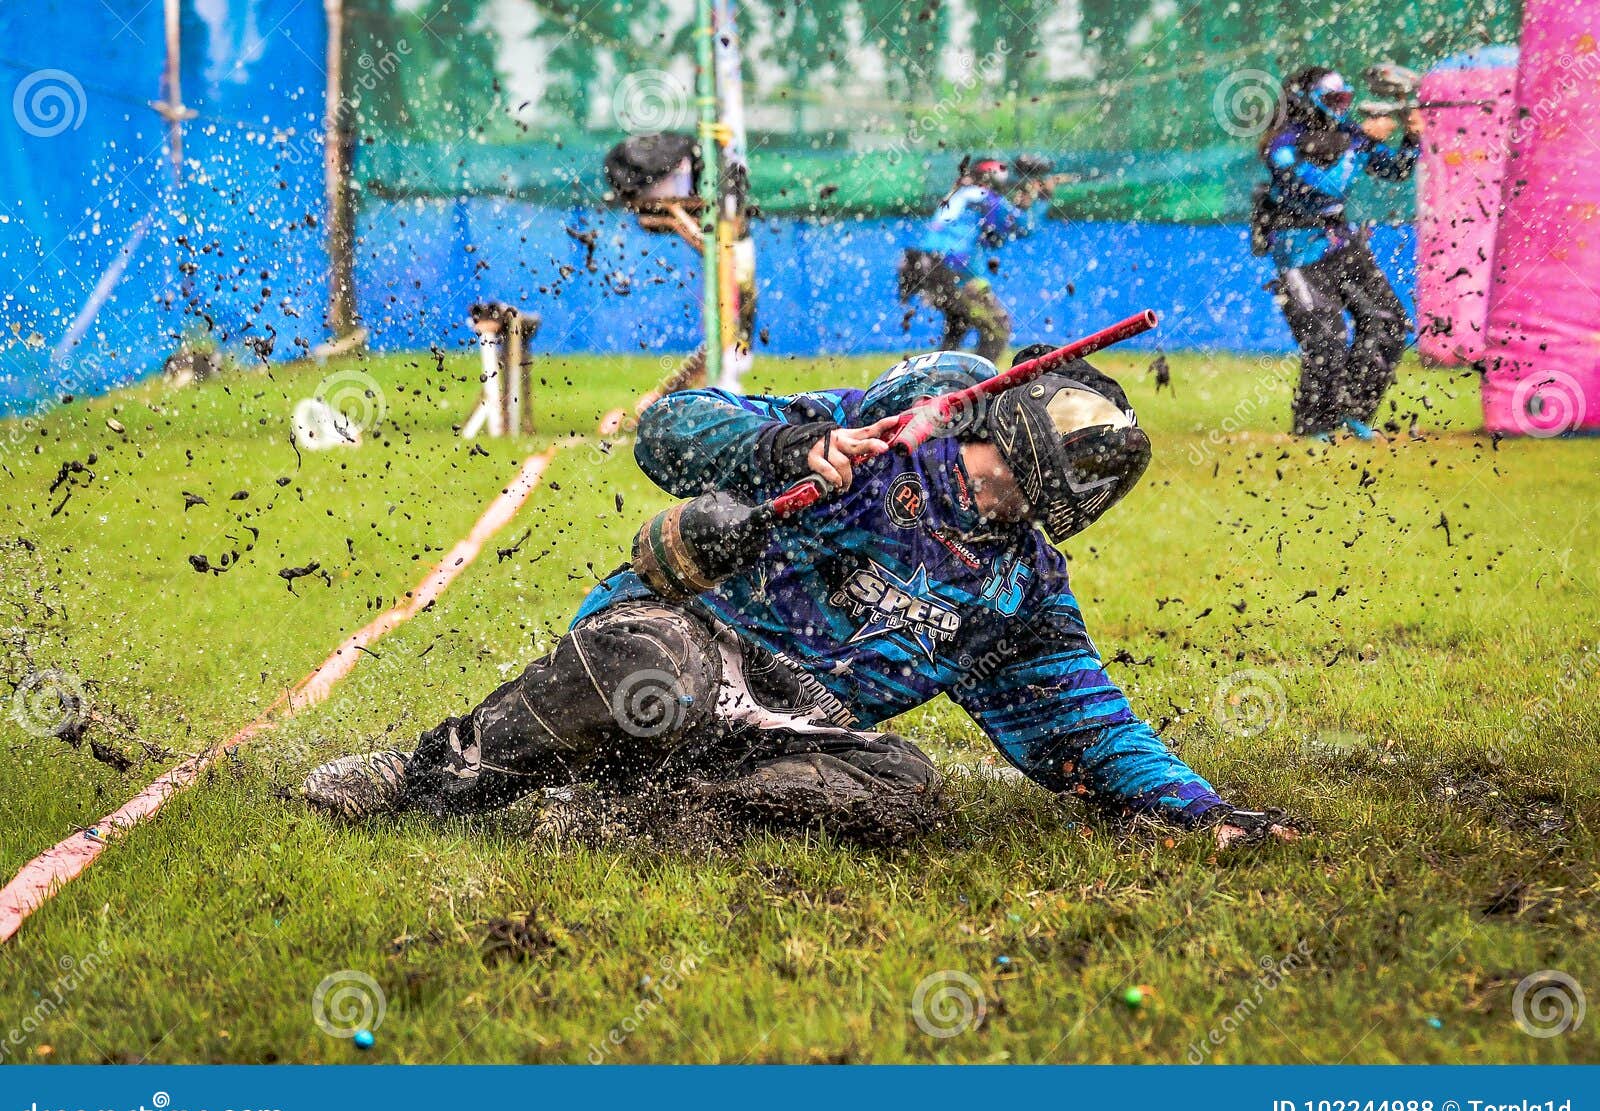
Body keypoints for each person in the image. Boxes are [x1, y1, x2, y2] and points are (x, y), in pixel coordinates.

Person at [302, 348, 1293, 849]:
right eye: (1005, 475)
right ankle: (424, 775)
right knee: (651, 674)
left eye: (1030, 499)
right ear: (992, 429)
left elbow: (1084, 722)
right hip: (679, 637)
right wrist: (786, 451)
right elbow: (671, 430)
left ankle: (631, 818)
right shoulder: (889, 423)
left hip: (786, 727)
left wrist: (1196, 808)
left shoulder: (1020, 592)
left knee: (901, 793)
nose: (1002, 501)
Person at [1252, 67, 1423, 440]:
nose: (1340, 110)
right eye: (1332, 101)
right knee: (1326, 339)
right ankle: (1314, 425)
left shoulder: (1346, 135)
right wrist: (1357, 142)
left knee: (1388, 321)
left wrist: (1412, 134)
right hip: (1296, 250)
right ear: (1305, 102)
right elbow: (1326, 186)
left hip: (1341, 244)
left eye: (1344, 100)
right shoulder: (1281, 145)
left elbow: (1397, 170)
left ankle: (1356, 411)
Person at [898, 159, 1058, 364]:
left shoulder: (960, 194)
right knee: (999, 328)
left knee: (958, 324)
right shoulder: (983, 196)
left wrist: (1023, 201)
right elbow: (1024, 226)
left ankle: (939, 380)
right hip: (952, 269)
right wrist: (1042, 199)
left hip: (922, 265)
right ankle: (979, 387)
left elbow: (992, 235)